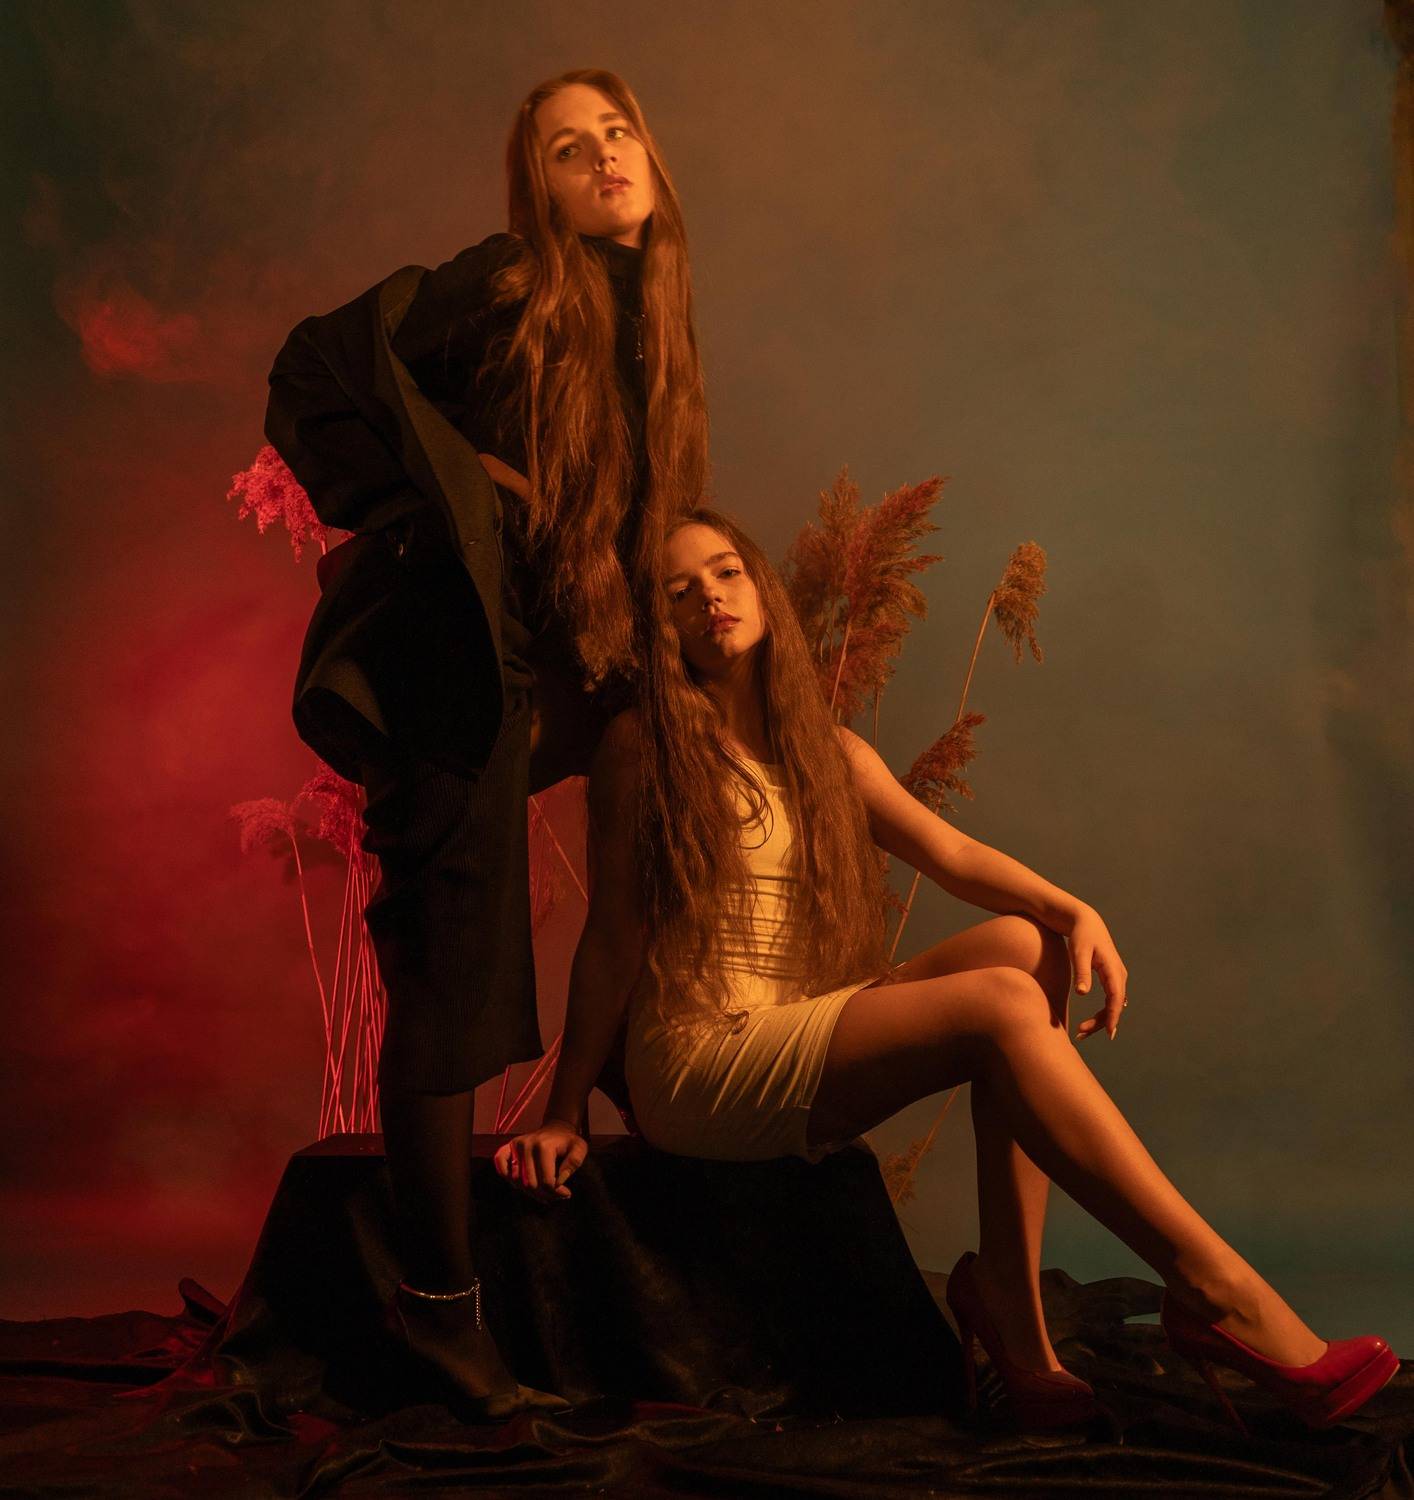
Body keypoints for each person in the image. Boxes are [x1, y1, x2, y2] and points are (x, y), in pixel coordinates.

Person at [495, 508, 1399, 1433]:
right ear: (661, 627)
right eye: (679, 592)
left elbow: (952, 855)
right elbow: (612, 938)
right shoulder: (645, 747)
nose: (710, 599)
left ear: (760, 588)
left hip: (801, 1014)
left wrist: (1074, 909)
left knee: (1032, 949)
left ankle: (1010, 1297)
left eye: (725, 573)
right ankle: (1213, 1285)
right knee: (1003, 1003)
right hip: (704, 1058)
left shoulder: (827, 752)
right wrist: (565, 1111)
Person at [262, 69, 707, 1420]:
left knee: (642, 787)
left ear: (650, 154)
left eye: (616, 132)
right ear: (542, 191)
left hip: (551, 652)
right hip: (450, 659)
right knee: (448, 963)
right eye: (569, 149)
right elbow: (315, 365)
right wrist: (451, 493)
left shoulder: (655, 322)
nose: (603, 157)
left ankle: (574, 1102)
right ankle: (438, 1314)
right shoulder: (511, 281)